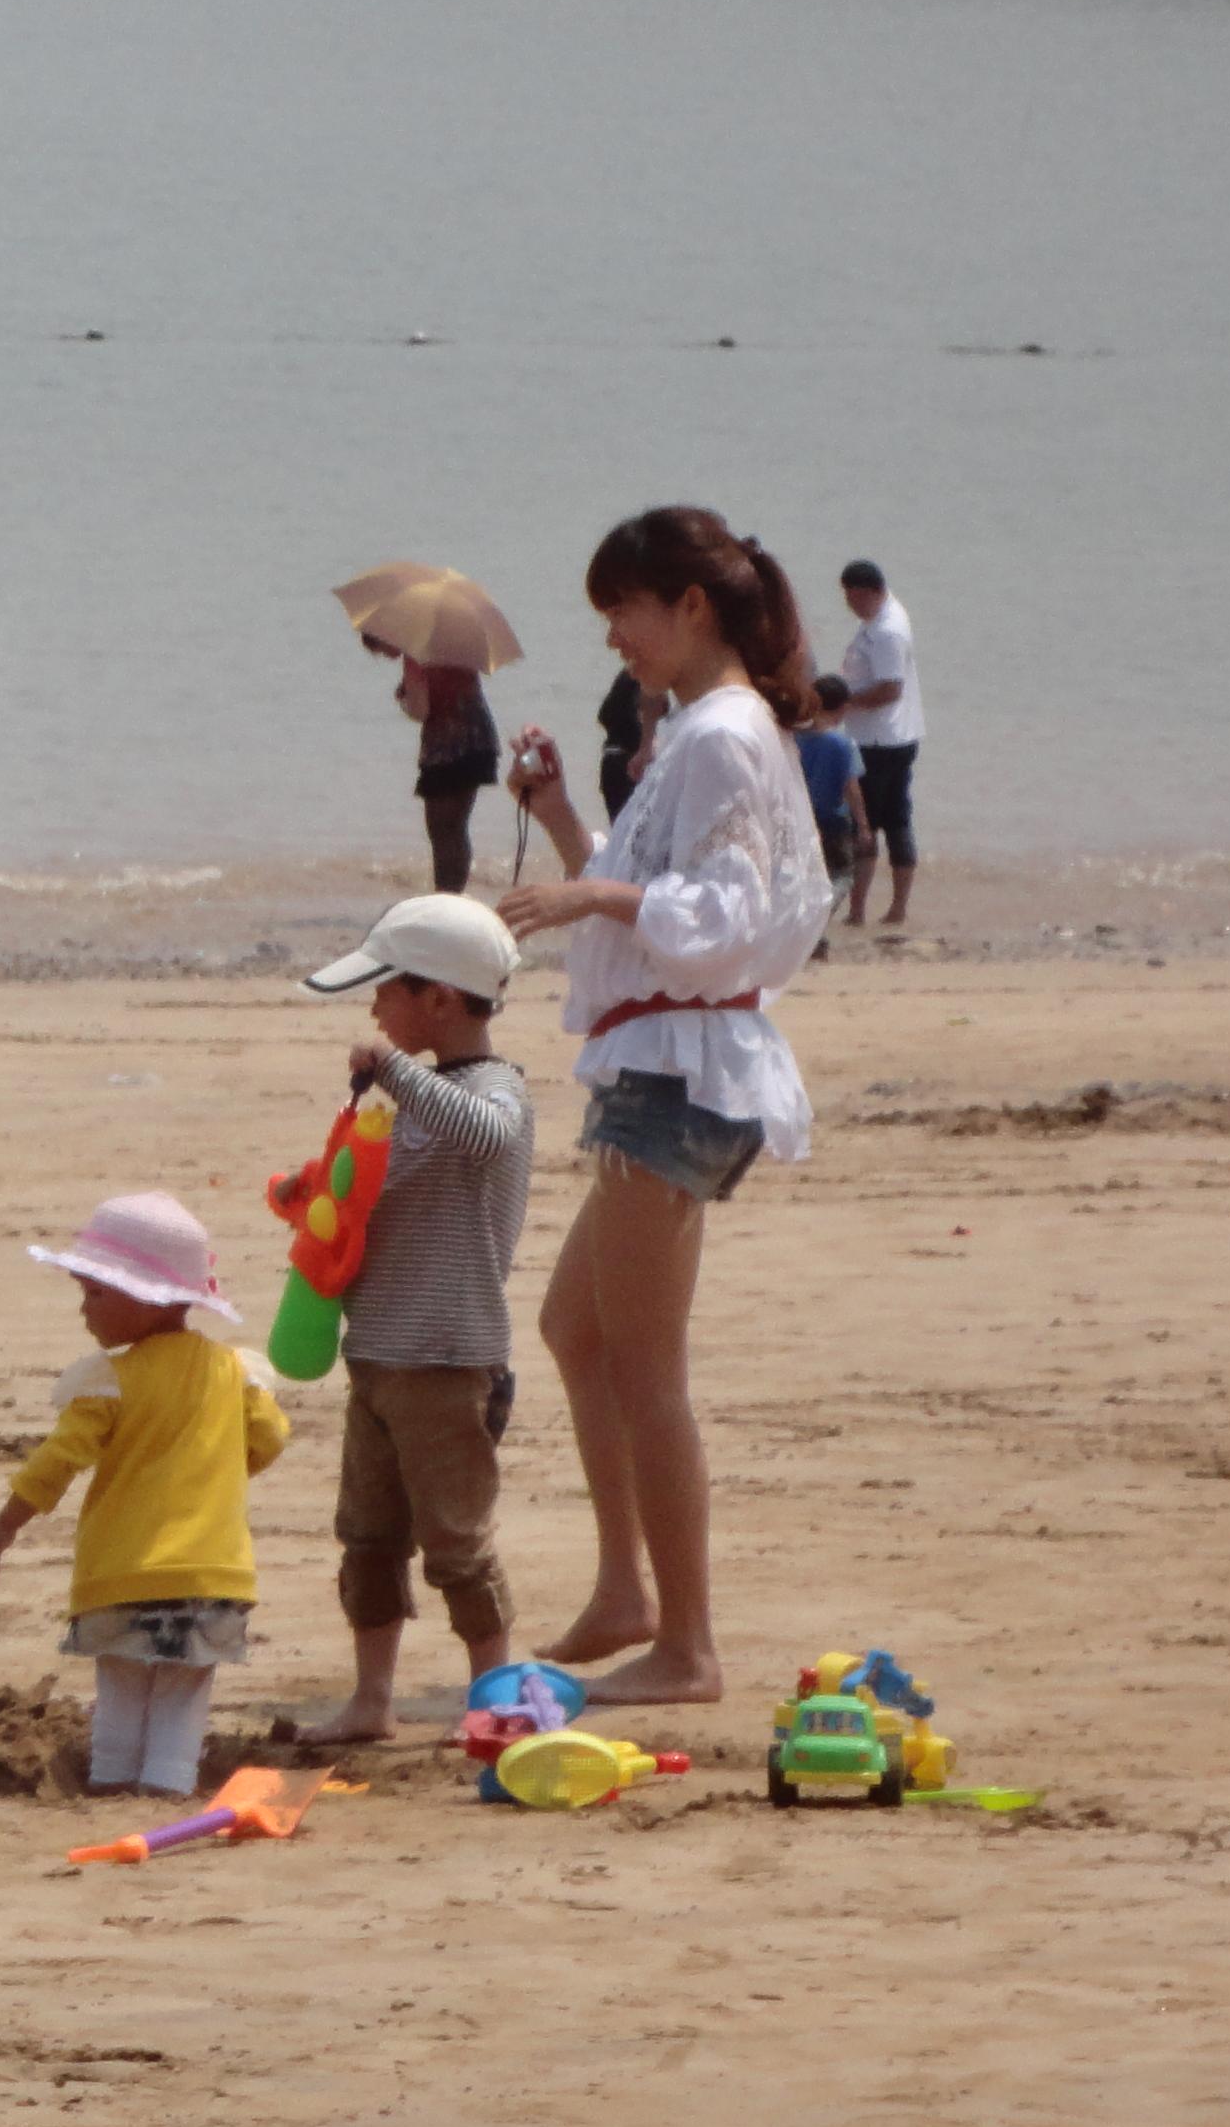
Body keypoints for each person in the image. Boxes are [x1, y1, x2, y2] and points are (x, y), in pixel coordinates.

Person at [493, 508, 836, 1709]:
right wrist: (557, 829)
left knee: (644, 1364)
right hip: (668, 1066)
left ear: (690, 606)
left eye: (622, 615)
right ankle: (626, 1592)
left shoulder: (723, 734)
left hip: (685, 1074)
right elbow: (668, 905)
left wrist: (589, 887)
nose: (615, 641)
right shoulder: (703, 732)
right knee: (577, 1333)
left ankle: (685, 1643)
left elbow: (719, 921)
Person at [284, 895, 535, 1747]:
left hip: (450, 1358)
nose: (374, 1008)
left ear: (436, 1000)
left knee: (458, 1543)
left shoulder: (495, 1092)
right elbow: (372, 1198)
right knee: (368, 1535)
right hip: (378, 1354)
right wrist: (313, 1194)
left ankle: (492, 1696)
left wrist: (393, 1070)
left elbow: (486, 1139)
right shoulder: (408, 1102)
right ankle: (372, 1699)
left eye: (385, 989)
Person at [0, 1194, 287, 1797]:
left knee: (119, 1683)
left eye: (95, 1294)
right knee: (182, 1689)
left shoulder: (110, 1382)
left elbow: (55, 1463)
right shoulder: (234, 1372)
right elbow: (269, 1441)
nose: (85, 1311)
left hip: (122, 1569)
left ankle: (111, 1781)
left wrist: (2, 1528)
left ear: (147, 1299)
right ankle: (168, 1784)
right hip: (211, 1572)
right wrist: (214, 1465)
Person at [834, 560, 921, 933]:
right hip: (887, 737)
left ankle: (868, 911)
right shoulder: (880, 618)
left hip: (880, 741)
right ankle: (874, 909)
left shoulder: (888, 630)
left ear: (868, 592)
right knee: (887, 822)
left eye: (851, 597)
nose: (849, 604)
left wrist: (845, 703)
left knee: (869, 824)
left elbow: (890, 689)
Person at [395, 647, 502, 894]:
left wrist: (404, 698)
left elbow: (420, 710)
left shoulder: (416, 653)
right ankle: (454, 893)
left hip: (447, 747)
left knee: (441, 829)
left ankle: (446, 894)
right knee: (457, 826)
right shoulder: (455, 644)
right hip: (479, 739)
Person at [797, 677, 864, 953]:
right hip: (834, 820)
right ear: (843, 708)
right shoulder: (842, 744)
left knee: (807, 876)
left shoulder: (796, 739)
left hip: (803, 818)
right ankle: (817, 923)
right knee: (842, 876)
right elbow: (851, 787)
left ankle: (806, 930)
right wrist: (864, 825)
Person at [592, 663, 650, 822]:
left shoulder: (628, 679)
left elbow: (604, 715)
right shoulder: (645, 677)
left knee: (620, 828)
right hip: (627, 762)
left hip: (611, 760)